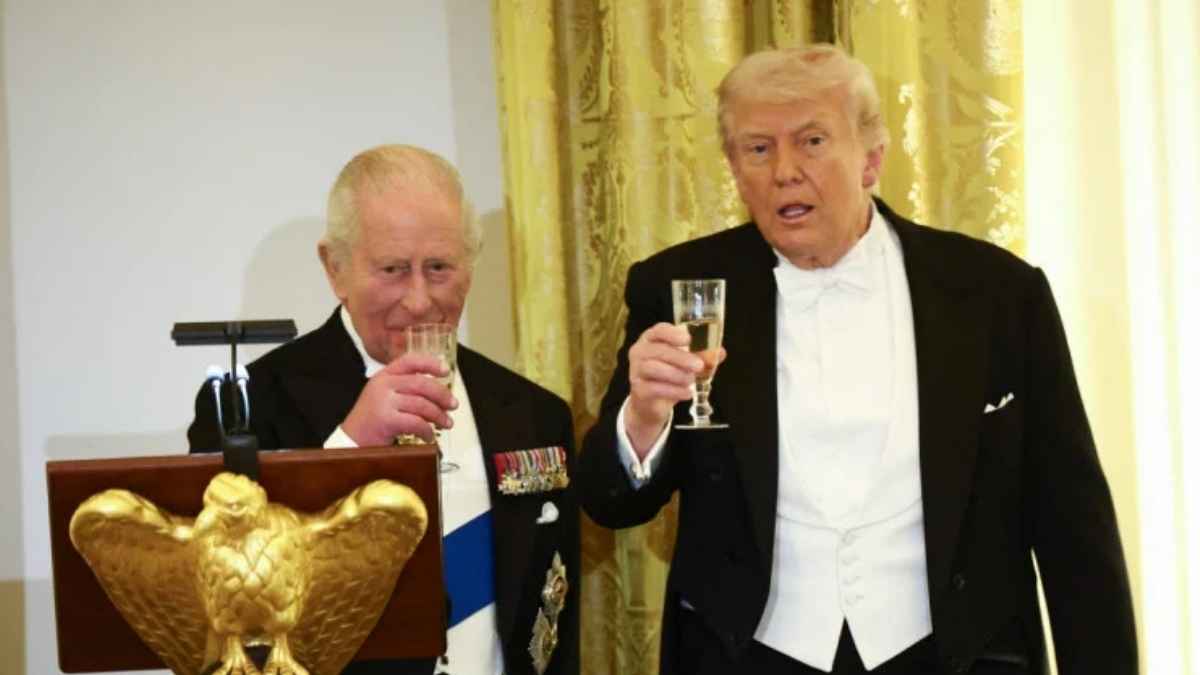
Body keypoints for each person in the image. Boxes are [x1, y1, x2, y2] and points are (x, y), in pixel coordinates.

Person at [577, 44, 1136, 675]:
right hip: (748, 655)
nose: (785, 171)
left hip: (955, 655)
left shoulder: (996, 293)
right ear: (733, 167)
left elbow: (1071, 517)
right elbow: (609, 502)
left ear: (872, 159)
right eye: (758, 148)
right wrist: (643, 418)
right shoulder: (679, 289)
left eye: (812, 141)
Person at [189, 145, 579, 675]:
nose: (418, 300)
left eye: (439, 268)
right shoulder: (248, 405)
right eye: (393, 270)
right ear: (335, 268)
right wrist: (349, 447)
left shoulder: (534, 413)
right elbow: (224, 605)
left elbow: (553, 616)